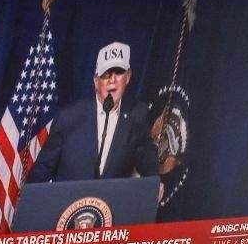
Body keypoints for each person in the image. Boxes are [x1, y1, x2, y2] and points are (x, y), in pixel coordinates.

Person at [28, 42, 159, 183]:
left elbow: (147, 157)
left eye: (119, 72)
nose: (112, 80)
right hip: (70, 203)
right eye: (106, 74)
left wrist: (155, 181)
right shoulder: (69, 117)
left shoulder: (137, 114)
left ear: (128, 77)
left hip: (111, 204)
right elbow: (42, 171)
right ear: (96, 81)